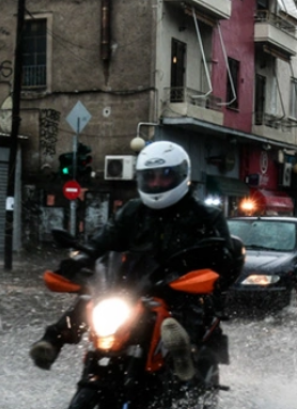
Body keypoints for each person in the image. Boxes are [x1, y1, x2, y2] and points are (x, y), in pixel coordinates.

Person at [29, 140, 244, 377]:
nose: (156, 183)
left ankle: (183, 356)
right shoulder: (133, 211)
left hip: (179, 286)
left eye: (165, 176)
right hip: (135, 284)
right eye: (150, 177)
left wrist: (203, 261)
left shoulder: (206, 216)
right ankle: (52, 341)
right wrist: (82, 258)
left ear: (181, 175)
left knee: (188, 308)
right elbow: (104, 239)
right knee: (91, 298)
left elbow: (223, 259)